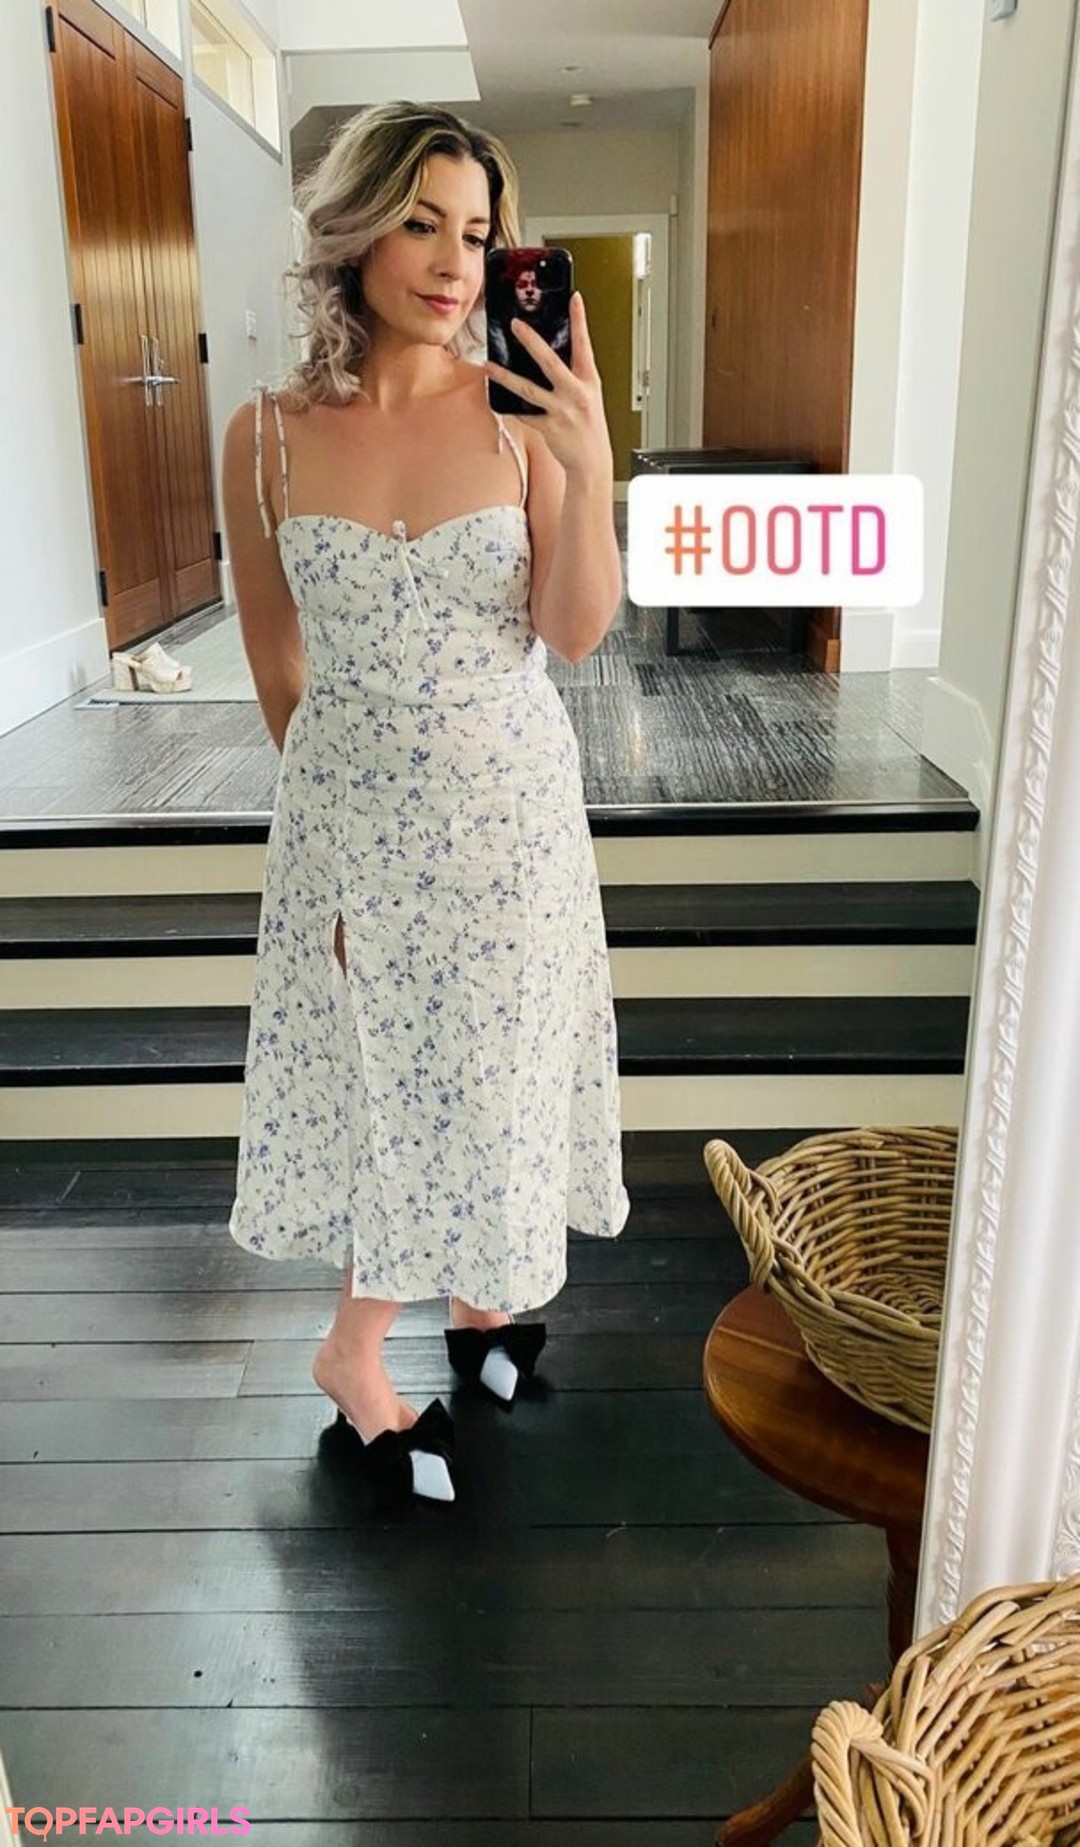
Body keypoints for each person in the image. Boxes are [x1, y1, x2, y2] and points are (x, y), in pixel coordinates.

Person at [220, 100, 631, 1505]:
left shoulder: (519, 418)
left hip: (512, 815)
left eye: (478, 232)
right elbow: (275, 658)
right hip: (353, 827)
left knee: (498, 1062)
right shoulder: (264, 438)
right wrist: (336, 838)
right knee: (388, 1077)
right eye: (421, 222)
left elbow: (573, 631)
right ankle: (354, 1355)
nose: (456, 262)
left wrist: (590, 463)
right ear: (355, 229)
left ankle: (479, 1303)